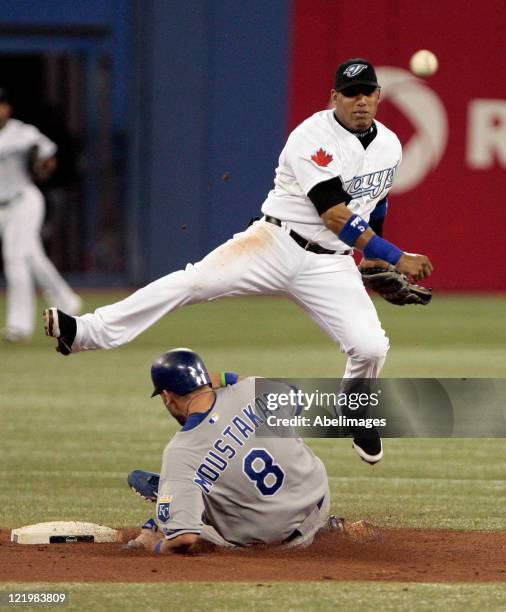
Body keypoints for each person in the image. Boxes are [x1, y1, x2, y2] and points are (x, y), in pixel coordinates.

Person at [44, 58, 433, 464]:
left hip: (330, 264)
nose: (360, 101)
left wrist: (377, 259)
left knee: (370, 348)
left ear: (379, 96)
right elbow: (334, 214)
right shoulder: (312, 137)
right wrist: (396, 256)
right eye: (351, 94)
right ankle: (84, 332)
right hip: (275, 241)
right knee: (193, 283)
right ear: (334, 97)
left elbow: (377, 201)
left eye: (367, 93)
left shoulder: (390, 145)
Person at [123, 348, 377, 553]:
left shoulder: (180, 453)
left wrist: (154, 546)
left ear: (167, 396)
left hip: (275, 542)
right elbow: (297, 398)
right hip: (318, 502)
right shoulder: (253, 388)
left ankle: (173, 503)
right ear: (205, 379)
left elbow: (185, 541)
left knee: (181, 522)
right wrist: (226, 378)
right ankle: (330, 528)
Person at [0, 88, 81, 342]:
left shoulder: (21, 133)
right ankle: (66, 298)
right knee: (32, 257)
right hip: (2, 208)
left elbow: (48, 156)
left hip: (24, 201)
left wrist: (43, 168)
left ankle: (19, 325)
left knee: (15, 258)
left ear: (7, 108)